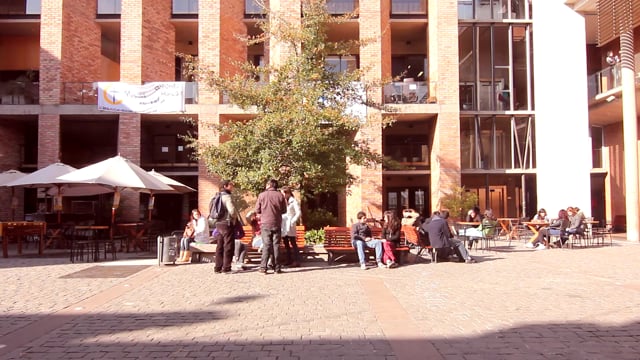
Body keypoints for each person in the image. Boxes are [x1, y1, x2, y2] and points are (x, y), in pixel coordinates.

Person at [255, 179, 287, 274]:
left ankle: (263, 268)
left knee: (266, 245)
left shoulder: (261, 195)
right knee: (276, 245)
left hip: (265, 223)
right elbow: (284, 210)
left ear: (269, 185)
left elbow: (257, 210)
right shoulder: (280, 195)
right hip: (276, 223)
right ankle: (277, 268)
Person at [212, 180, 238, 274]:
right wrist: (235, 218)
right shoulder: (227, 196)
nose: (232, 186)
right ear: (226, 186)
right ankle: (226, 268)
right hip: (227, 223)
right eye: (231, 185)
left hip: (218, 223)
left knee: (219, 246)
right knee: (228, 246)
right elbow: (232, 211)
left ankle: (217, 267)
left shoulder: (216, 196)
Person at [281, 186, 302, 268]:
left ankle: (297, 261)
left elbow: (298, 212)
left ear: (288, 193)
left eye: (283, 193)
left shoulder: (294, 201)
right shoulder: (283, 201)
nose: (282, 195)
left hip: (290, 223)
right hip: (284, 223)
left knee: (293, 242)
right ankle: (288, 260)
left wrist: (293, 221)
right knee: (286, 243)